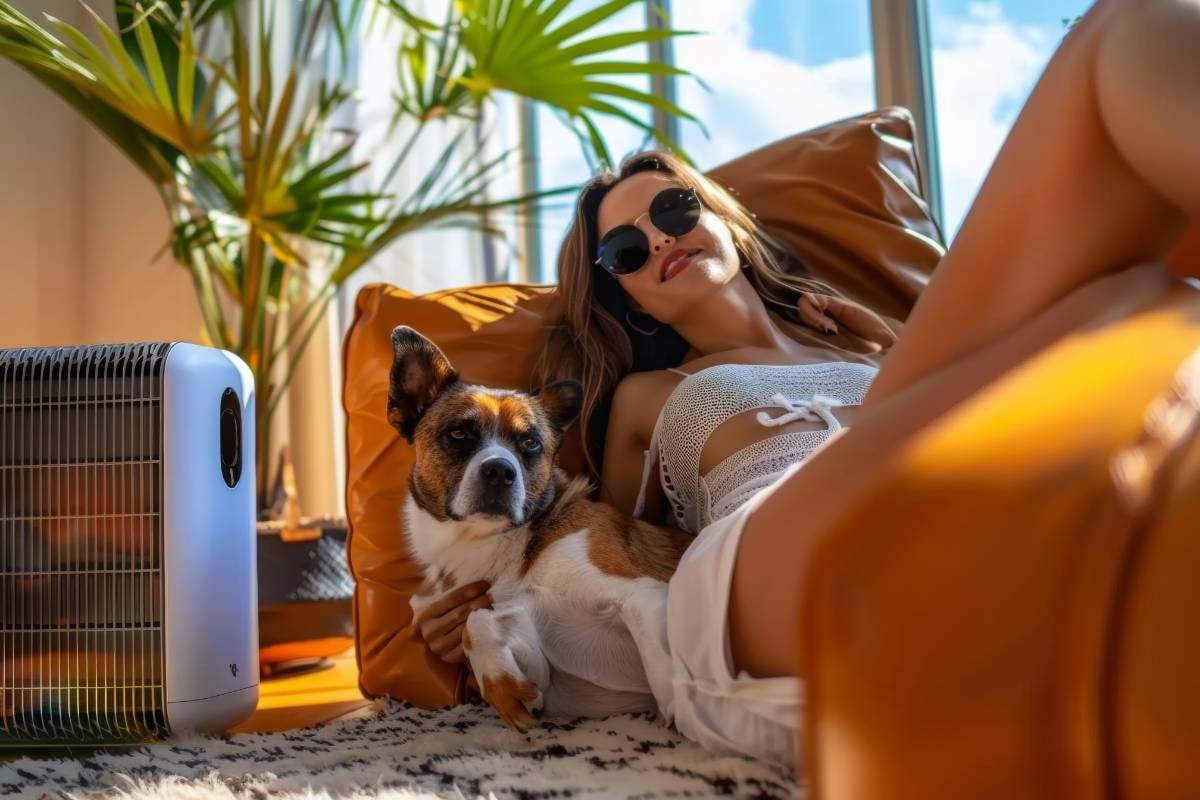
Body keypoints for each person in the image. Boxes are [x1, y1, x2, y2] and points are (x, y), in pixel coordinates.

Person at [409, 0, 1200, 768]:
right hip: (778, 555)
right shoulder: (648, 401)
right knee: (1115, 38)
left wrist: (896, 352)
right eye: (625, 252)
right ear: (629, 297)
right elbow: (595, 561)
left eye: (676, 210)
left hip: (955, 496)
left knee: (1136, 302)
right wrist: (479, 615)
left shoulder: (881, 347)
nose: (658, 241)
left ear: (724, 220)